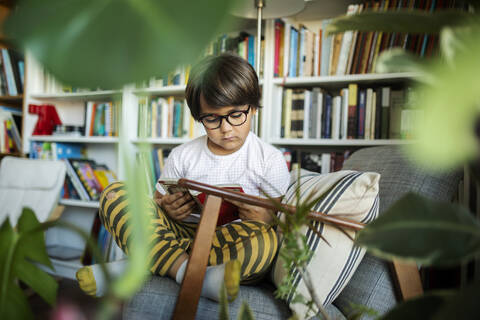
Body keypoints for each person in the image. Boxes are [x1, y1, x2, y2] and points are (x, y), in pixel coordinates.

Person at [76, 53, 290, 303]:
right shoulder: (182, 156)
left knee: (265, 244)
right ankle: (189, 272)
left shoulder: (269, 159)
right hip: (182, 233)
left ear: (253, 108)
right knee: (115, 195)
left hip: (227, 243)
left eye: (236, 115)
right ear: (199, 117)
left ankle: (147, 263)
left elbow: (280, 220)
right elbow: (156, 204)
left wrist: (265, 217)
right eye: (212, 119)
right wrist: (167, 209)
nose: (226, 128)